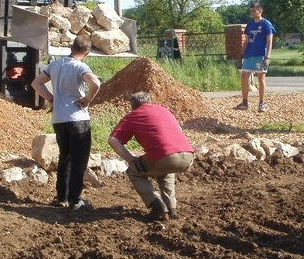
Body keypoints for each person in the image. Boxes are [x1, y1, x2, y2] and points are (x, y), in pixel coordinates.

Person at [31, 37, 101, 212]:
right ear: (86, 53)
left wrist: (51, 98)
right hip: (77, 119)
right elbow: (95, 83)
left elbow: (36, 83)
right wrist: (86, 99)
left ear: (71, 47)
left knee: (65, 157)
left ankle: (61, 197)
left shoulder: (55, 65)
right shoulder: (80, 66)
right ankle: (75, 200)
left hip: (59, 119)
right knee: (79, 160)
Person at [108, 91, 195, 222]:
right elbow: (179, 130)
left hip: (165, 157)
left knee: (134, 171)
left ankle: (156, 205)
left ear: (132, 105)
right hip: (188, 155)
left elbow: (113, 140)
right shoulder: (164, 110)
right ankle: (171, 208)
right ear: (150, 101)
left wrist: (131, 160)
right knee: (165, 170)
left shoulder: (133, 115)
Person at [234, 2, 275, 112]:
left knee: (261, 77)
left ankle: (261, 103)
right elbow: (246, 40)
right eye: (251, 10)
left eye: (254, 10)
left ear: (260, 10)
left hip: (260, 54)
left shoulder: (266, 24)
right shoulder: (250, 24)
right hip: (249, 54)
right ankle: (244, 102)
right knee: (244, 76)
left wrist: (267, 57)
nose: (252, 12)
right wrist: (241, 56)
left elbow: (270, 41)